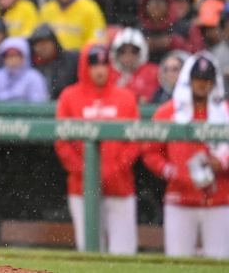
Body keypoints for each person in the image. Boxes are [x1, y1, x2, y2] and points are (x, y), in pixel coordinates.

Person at [142, 53, 229, 259]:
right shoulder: (168, 112)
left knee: (220, 262)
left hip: (220, 198)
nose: (202, 84)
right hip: (180, 197)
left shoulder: (225, 111)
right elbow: (150, 151)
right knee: (178, 263)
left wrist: (223, 162)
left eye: (207, 79)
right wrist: (171, 170)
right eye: (198, 79)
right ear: (188, 80)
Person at [55, 44, 140, 255]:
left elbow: (135, 140)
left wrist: (115, 169)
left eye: (104, 64)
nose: (100, 70)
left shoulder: (126, 97)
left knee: (124, 255)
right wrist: (86, 171)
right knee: (89, 253)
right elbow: (62, 142)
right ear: (85, 67)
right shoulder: (69, 96)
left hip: (120, 186)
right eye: (94, 65)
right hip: (82, 187)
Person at [39, 0, 106, 51]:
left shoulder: (89, 7)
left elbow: (98, 39)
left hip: (80, 58)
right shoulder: (47, 9)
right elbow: (39, 37)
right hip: (53, 60)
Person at [0, 37, 49, 103]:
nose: (13, 60)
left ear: (24, 57)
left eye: (16, 55)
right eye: (9, 56)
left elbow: (38, 104)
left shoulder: (34, 77)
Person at [29, 23, 79, 100]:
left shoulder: (71, 61)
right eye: (38, 45)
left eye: (45, 43)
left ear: (54, 43)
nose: (42, 48)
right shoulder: (31, 65)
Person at [110, 27, 160, 104]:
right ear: (116, 53)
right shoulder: (108, 73)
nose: (128, 56)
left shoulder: (153, 72)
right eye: (123, 51)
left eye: (134, 51)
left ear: (141, 52)